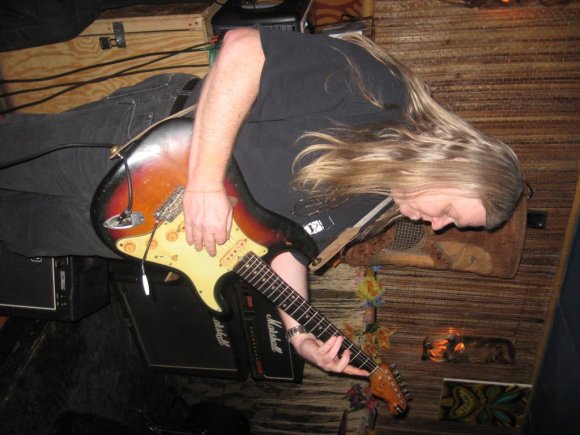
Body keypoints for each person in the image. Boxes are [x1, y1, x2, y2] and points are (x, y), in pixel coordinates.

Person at [0, 26, 523, 376]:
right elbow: (244, 49)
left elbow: (285, 247)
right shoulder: (376, 91)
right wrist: (206, 181)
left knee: (23, 231)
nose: (436, 227)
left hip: (161, 232)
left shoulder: (371, 209)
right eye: (450, 213)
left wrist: (300, 335)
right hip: (153, 146)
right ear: (454, 165)